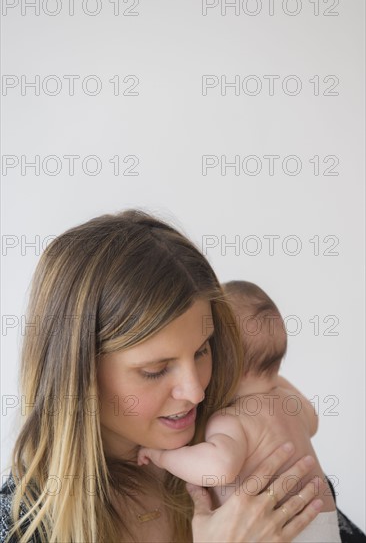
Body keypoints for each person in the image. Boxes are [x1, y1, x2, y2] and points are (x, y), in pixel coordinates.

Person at [0, 211, 355, 542]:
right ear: (79, 376)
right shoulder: (21, 524)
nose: (195, 392)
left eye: (203, 351)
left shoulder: (247, 449)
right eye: (155, 370)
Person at [138, 280, 366, 542]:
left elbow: (219, 468)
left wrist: (161, 456)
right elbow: (313, 422)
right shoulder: (290, 402)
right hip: (324, 527)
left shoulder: (231, 419)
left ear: (232, 366)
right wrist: (271, 374)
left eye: (206, 350)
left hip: (283, 530)